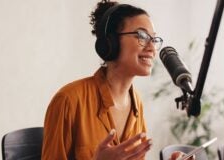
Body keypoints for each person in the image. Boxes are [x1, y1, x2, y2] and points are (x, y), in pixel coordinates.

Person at [42, 0, 194, 159]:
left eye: (154, 39)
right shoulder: (69, 101)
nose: (151, 48)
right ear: (111, 43)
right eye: (141, 35)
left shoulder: (136, 103)